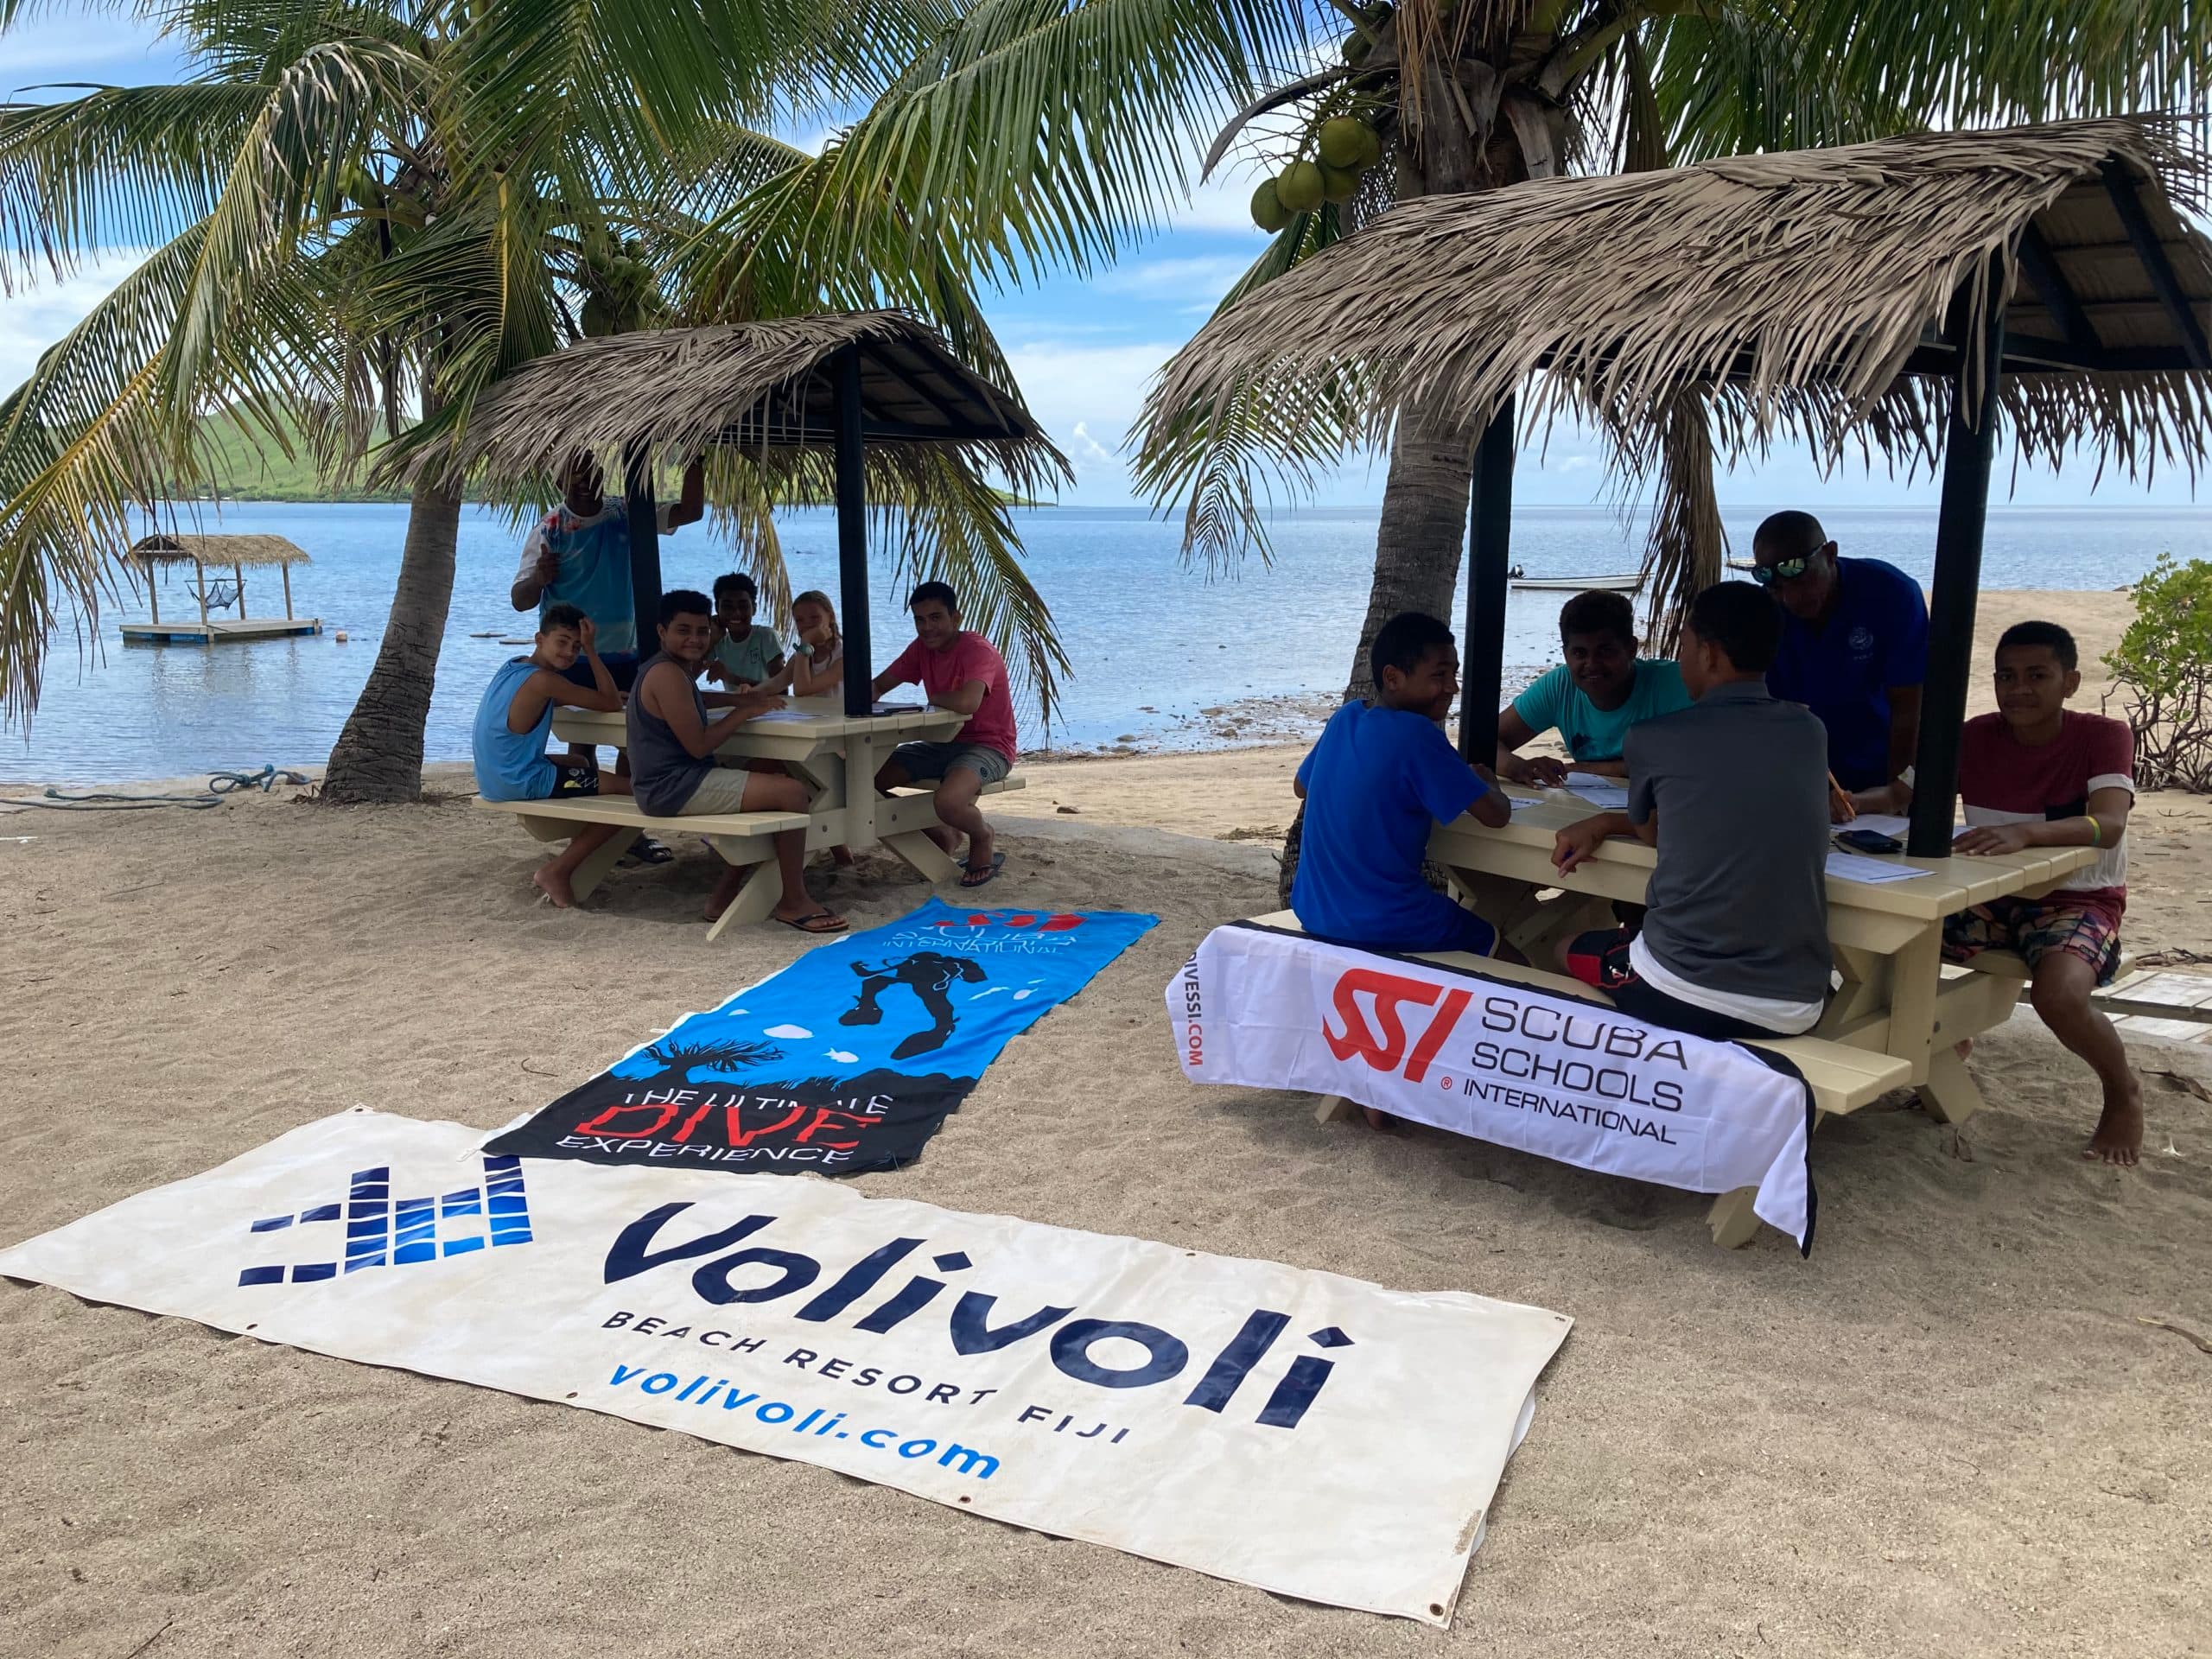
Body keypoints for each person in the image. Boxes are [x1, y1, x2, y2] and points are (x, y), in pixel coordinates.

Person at [1551, 582, 1831, 1041]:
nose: (1679, 660)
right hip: (1798, 999)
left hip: (1680, 982)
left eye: (1684, 645)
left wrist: (1604, 822)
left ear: (1711, 655)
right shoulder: (1810, 732)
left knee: (1563, 950)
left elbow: (1652, 833)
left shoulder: (1653, 738)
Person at [1919, 621, 2141, 1165]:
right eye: (2006, 676)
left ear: (2071, 681)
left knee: (2059, 997)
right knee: (1885, 940)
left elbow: (2108, 823)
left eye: (2037, 675)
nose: (2018, 688)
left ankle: (2122, 1091)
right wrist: (1844, 800)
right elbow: (1905, 794)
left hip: (2078, 900)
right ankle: (1947, 1044)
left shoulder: (2102, 736)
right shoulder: (1973, 736)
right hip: (1986, 896)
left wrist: (2026, 833)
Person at [1291, 611, 1512, 957]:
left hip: (1315, 911)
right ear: (1393, 678)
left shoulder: (1345, 718)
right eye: (1439, 675)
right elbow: (1495, 815)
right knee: (1508, 951)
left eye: (1454, 673)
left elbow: (1301, 787)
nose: (1452, 687)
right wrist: (1490, 782)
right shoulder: (1418, 734)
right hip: (1387, 919)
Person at [627, 590, 848, 935]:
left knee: (767, 767)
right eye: (683, 630)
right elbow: (700, 746)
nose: (695, 639)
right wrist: (743, 711)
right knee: (792, 794)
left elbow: (694, 697)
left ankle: (725, 892)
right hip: (674, 787)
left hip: (667, 782)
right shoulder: (668, 675)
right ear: (661, 632)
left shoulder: (665, 670)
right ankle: (793, 899)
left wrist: (736, 698)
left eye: (702, 631)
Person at [1753, 510, 1929, 818]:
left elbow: (1910, 708)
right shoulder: (1765, 612)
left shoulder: (1890, 594)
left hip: (1883, 768)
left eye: (1803, 581)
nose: (1791, 599)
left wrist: (1898, 790)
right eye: (1777, 588)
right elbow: (1764, 712)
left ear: (1830, 553)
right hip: (1801, 776)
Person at [470, 604, 636, 908]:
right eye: (562, 642)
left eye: (575, 646)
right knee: (632, 796)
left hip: (494, 775)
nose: (569, 653)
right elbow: (611, 703)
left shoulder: (514, 667)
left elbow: (544, 697)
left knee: (580, 763)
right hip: (521, 781)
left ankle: (579, 847)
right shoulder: (545, 681)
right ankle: (558, 871)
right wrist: (591, 650)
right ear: (539, 638)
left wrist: (588, 697)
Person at [509, 448, 706, 693]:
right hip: (568, 658)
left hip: (626, 656)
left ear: (601, 476)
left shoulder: (626, 511)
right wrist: (538, 579)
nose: (585, 483)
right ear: (559, 482)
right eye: (575, 477)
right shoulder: (549, 529)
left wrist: (694, 457)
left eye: (591, 475)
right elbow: (519, 600)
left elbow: (690, 512)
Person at [871, 582, 1018, 889]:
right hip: (941, 744)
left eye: (936, 618)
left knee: (949, 802)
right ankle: (939, 833)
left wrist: (936, 697)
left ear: (956, 618)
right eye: (919, 620)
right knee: (863, 780)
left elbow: (968, 702)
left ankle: (982, 835)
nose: (927, 628)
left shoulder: (977, 651)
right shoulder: (920, 649)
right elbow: (878, 686)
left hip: (990, 745)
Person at [1495, 588, 1691, 785]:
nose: (1592, 664)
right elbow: (1484, 742)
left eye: (1605, 652)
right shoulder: (1559, 686)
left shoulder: (1677, 683)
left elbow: (1706, 755)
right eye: (1580, 653)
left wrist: (1588, 769)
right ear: (1565, 654)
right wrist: (1518, 767)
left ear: (1631, 649)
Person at [706, 572, 786, 690]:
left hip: (767, 706)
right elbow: (689, 678)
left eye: (743, 606)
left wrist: (731, 678)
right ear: (717, 608)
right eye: (728, 607)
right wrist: (712, 639)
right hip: (734, 706)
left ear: (754, 608)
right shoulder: (718, 640)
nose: (736, 613)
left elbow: (782, 689)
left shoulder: (765, 636)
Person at [763, 589, 845, 698]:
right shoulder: (801, 657)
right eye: (800, 620)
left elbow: (802, 689)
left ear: (831, 617)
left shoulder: (843, 654)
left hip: (838, 715)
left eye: (815, 617)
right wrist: (748, 692)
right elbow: (776, 683)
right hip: (813, 714)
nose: (807, 624)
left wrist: (806, 640)